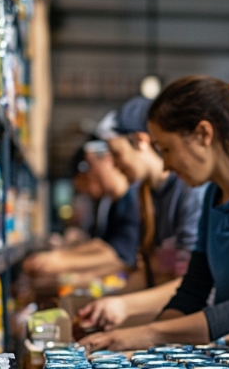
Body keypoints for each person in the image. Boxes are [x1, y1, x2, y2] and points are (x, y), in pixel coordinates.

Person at [80, 76, 229, 352]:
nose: (166, 165)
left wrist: (148, 334)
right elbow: (192, 293)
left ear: (203, 134)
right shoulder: (214, 194)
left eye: (167, 149)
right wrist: (148, 344)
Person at [78, 96, 206, 330]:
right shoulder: (145, 195)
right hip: (168, 316)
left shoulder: (191, 192)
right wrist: (105, 302)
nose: (115, 165)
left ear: (141, 141)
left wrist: (123, 306)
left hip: (191, 323)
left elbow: (191, 285)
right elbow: (150, 272)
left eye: (116, 154)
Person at [23, 140, 138, 278]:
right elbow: (105, 245)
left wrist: (61, 261)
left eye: (88, 167)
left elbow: (120, 255)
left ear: (107, 159)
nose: (88, 185)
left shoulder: (134, 198)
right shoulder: (111, 204)